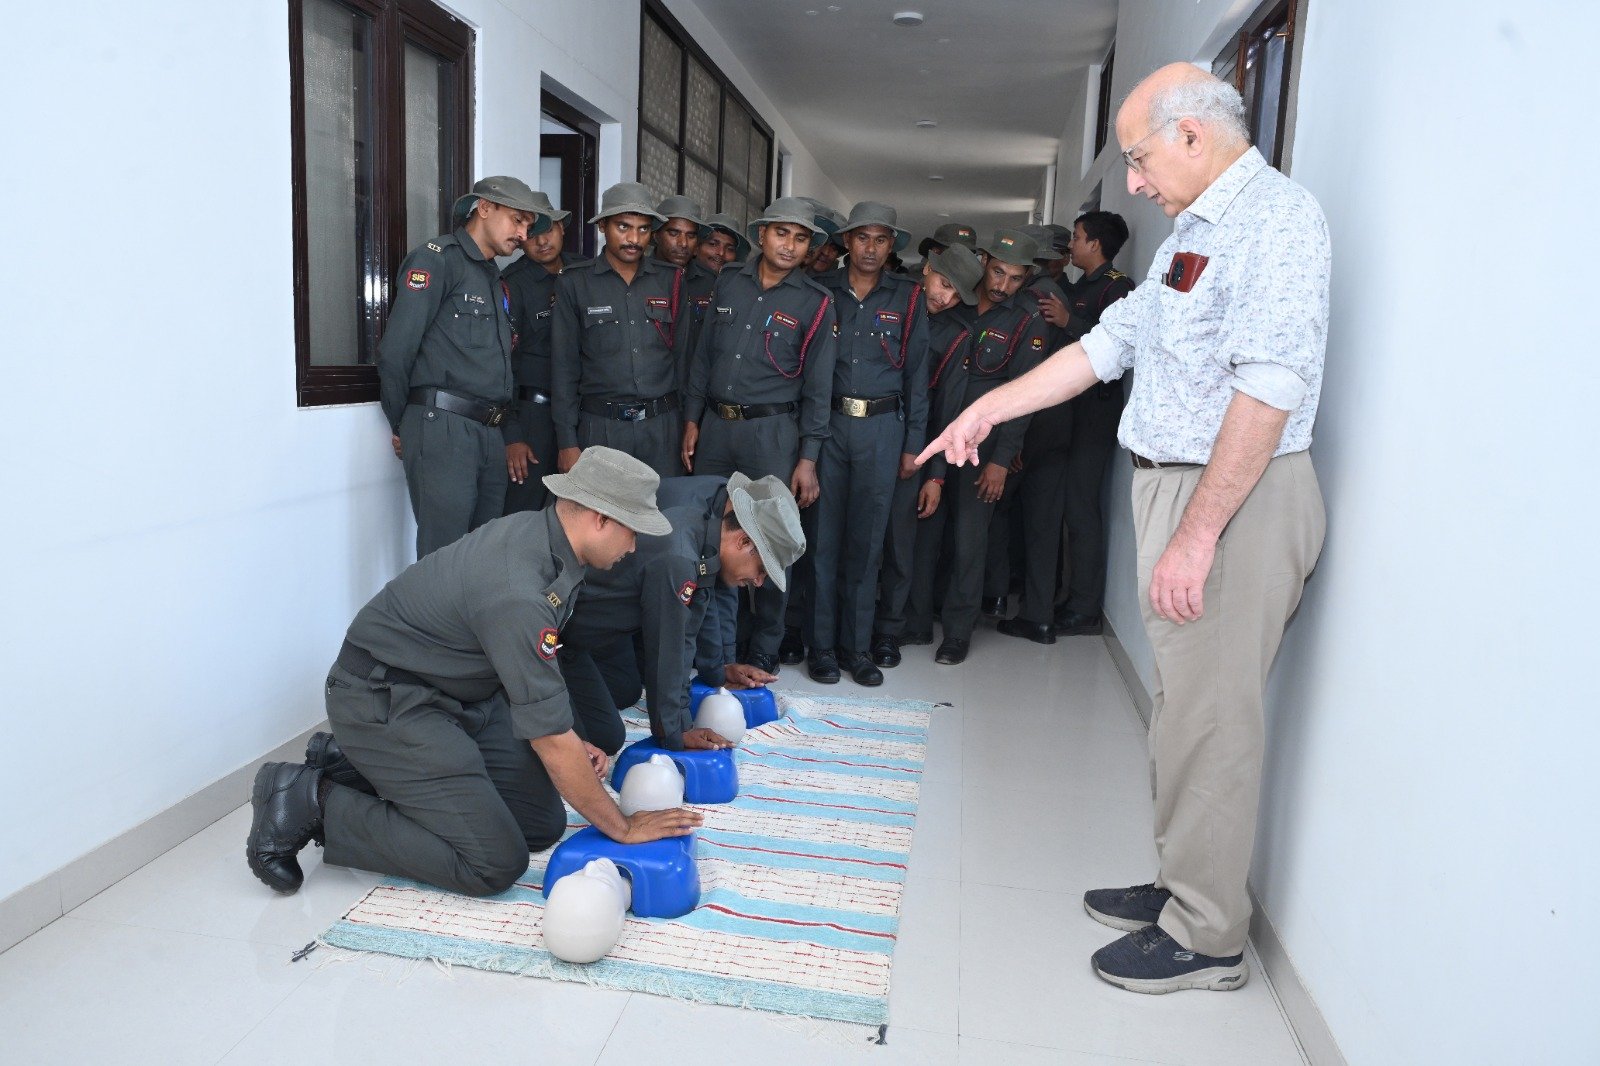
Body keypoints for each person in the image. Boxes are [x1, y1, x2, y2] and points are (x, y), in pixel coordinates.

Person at [921, 63, 1330, 995]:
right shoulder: (1198, 234)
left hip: (1233, 499)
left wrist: (1198, 533)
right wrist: (985, 412)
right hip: (1183, 490)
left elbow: (1269, 389)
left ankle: (1210, 937)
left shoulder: (1278, 221)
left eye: (1141, 158)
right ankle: (1187, 885)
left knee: (1213, 720)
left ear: (1193, 135)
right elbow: (1103, 349)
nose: (1134, 184)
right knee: (1184, 709)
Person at [246, 448, 702, 898]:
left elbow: (530, 675)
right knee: (493, 861)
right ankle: (311, 798)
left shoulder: (548, 540)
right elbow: (547, 736)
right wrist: (620, 826)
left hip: (463, 695)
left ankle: (352, 764)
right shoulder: (519, 588)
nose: (636, 546)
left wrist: (561, 734)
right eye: (633, 531)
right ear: (600, 518)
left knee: (539, 824)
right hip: (387, 698)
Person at [681, 197, 838, 673]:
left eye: (801, 237)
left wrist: (808, 457)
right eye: (782, 234)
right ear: (763, 234)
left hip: (772, 434)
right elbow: (702, 358)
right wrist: (692, 419)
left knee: (772, 540)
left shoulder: (816, 303)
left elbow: (818, 386)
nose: (790, 245)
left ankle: (766, 644)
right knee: (708, 533)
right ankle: (712, 646)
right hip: (716, 429)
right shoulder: (728, 281)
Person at [558, 472, 805, 754]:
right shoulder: (679, 557)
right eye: (761, 569)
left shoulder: (702, 536)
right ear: (744, 542)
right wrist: (675, 733)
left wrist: (717, 672)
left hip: (576, 644)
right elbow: (668, 649)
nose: (759, 582)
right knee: (576, 745)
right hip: (547, 637)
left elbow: (691, 627)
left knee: (608, 736)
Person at [379, 176, 548, 557]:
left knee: (480, 556)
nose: (523, 234)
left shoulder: (493, 277)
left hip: (490, 432)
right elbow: (395, 353)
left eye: (528, 226)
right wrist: (402, 422)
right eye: (517, 220)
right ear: (484, 208)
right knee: (444, 557)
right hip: (444, 428)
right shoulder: (437, 260)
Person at [800, 202, 928, 686]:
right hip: (828, 426)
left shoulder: (908, 298)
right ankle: (823, 649)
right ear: (847, 243)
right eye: (862, 238)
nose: (870, 248)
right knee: (822, 543)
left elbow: (917, 375)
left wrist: (913, 443)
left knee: (867, 544)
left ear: (890, 245)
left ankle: (858, 649)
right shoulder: (820, 290)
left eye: (881, 240)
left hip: (881, 430)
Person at [998, 213, 1134, 642]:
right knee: (1055, 509)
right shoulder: (1075, 287)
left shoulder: (1118, 289)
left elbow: (1118, 350)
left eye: (1075, 238)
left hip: (1093, 417)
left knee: (1079, 510)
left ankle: (1084, 607)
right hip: (1062, 416)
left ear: (1094, 244)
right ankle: (1058, 599)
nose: (1069, 246)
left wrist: (1069, 324)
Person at [932, 229, 1050, 665]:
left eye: (1015, 278)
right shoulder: (954, 301)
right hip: (932, 435)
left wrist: (1001, 461)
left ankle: (957, 632)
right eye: (998, 272)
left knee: (969, 539)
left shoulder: (1027, 320)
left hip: (983, 447)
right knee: (924, 533)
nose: (1002, 285)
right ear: (983, 261)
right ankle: (913, 619)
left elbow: (1025, 396)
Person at [873, 242, 981, 665]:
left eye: (955, 294)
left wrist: (935, 474)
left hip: (914, 450)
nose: (944, 297)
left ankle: (891, 629)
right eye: (942, 283)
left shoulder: (956, 335)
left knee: (902, 545)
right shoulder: (890, 301)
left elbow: (948, 411)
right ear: (928, 268)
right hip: (862, 434)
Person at [551, 183, 689, 480]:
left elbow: (684, 359)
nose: (634, 239)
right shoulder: (575, 283)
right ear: (603, 226)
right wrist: (567, 441)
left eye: (643, 230)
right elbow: (564, 366)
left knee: (664, 517)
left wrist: (688, 425)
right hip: (601, 428)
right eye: (624, 227)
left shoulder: (671, 281)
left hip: (662, 428)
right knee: (602, 520)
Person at [502, 191, 575, 514]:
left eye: (549, 229)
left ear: (562, 228)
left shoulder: (586, 273)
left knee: (579, 512)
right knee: (525, 511)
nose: (542, 240)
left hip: (580, 416)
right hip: (533, 419)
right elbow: (502, 364)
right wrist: (512, 434)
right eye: (531, 233)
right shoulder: (511, 285)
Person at [655, 195, 719, 362]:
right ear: (656, 235)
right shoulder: (638, 279)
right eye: (674, 233)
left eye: (691, 236)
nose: (683, 243)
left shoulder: (710, 284)